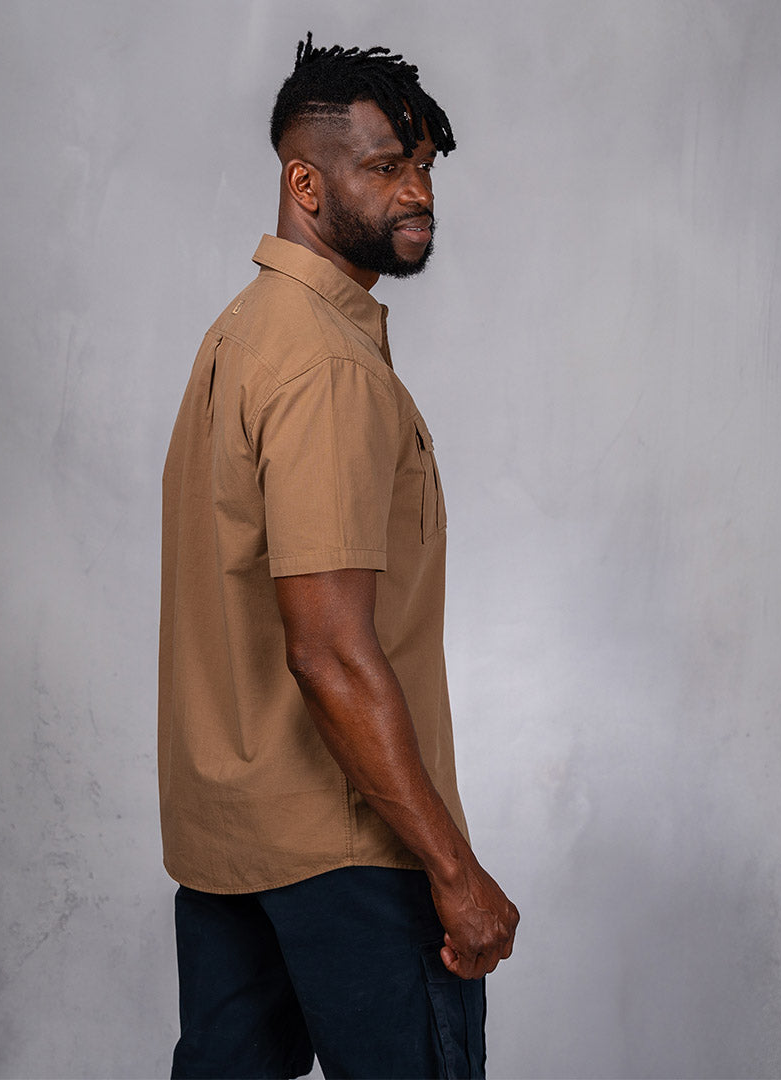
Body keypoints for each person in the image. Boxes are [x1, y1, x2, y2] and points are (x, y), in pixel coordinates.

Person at [158, 32, 518, 1079]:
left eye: (424, 166)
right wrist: (452, 867)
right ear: (304, 185)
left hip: (231, 846)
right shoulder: (326, 367)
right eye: (385, 167)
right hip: (349, 847)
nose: (418, 193)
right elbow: (328, 650)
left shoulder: (242, 334)